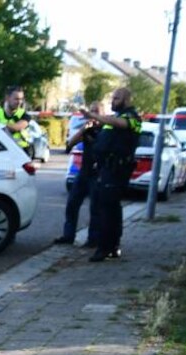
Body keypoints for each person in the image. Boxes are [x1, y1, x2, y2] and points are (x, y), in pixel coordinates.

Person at [81, 87, 141, 262]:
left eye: (117, 98)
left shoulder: (132, 118)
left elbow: (120, 124)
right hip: (106, 168)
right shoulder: (114, 119)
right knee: (107, 208)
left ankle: (105, 248)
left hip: (117, 170)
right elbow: (107, 138)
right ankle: (111, 246)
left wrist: (93, 115)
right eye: (113, 98)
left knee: (108, 211)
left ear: (127, 100)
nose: (113, 101)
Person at [54, 102, 102, 246]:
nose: (93, 114)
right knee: (72, 203)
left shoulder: (106, 129)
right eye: (91, 111)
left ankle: (93, 239)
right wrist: (83, 129)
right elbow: (73, 141)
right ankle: (68, 236)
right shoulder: (88, 127)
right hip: (84, 172)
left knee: (95, 208)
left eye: (96, 111)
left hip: (97, 173)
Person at [0, 86, 33, 159]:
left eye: (21, 99)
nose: (19, 102)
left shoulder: (24, 115)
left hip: (21, 153)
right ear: (7, 98)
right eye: (16, 99)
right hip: (1, 153)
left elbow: (17, 127)